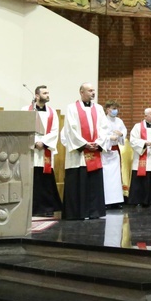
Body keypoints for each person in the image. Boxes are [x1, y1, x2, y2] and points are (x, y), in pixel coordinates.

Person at [61, 83, 110, 220]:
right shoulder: (72, 108)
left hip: (94, 151)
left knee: (94, 184)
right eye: (90, 90)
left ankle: (94, 211)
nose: (93, 92)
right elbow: (70, 129)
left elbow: (104, 128)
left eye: (94, 90)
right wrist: (85, 144)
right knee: (78, 182)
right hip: (79, 154)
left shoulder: (99, 109)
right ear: (81, 92)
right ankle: (78, 213)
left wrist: (98, 143)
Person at [23, 85, 62, 217]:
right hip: (30, 150)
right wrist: (34, 142)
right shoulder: (25, 110)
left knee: (45, 180)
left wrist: (43, 142)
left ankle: (47, 208)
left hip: (44, 150)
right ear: (37, 96)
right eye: (45, 93)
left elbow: (55, 131)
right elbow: (22, 128)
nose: (48, 95)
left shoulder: (52, 113)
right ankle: (29, 208)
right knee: (30, 179)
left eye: (48, 93)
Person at [128, 108, 151, 207]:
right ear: (145, 116)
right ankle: (138, 200)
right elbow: (132, 140)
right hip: (142, 156)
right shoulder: (137, 127)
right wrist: (144, 143)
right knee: (140, 181)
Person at [102, 100, 127, 209]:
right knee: (106, 176)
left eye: (116, 108)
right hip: (105, 152)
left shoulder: (119, 121)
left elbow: (123, 132)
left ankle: (116, 200)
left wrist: (121, 134)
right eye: (113, 108)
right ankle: (106, 201)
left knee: (116, 176)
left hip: (115, 151)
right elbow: (100, 134)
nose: (115, 111)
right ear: (107, 109)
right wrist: (108, 138)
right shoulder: (102, 120)